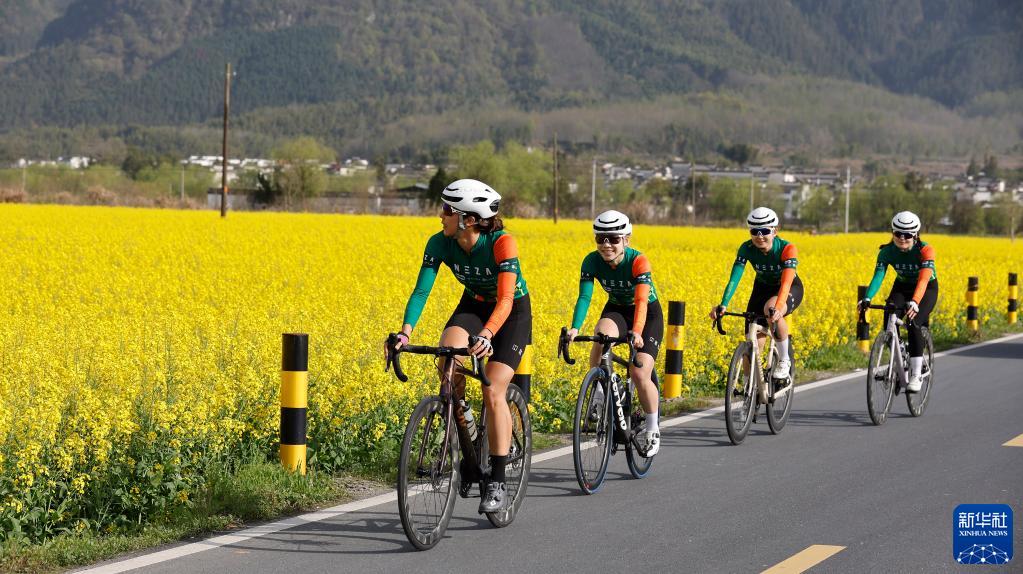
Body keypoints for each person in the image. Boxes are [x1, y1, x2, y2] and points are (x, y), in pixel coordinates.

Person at [392, 178, 531, 512]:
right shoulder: (439, 242)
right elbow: (421, 291)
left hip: (510, 312)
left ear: (468, 218)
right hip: (473, 305)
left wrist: (487, 334)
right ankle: (466, 427)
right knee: (446, 361)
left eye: (446, 209)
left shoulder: (502, 243)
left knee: (493, 389)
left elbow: (506, 299)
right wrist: (405, 333)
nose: (440, 215)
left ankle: (498, 480)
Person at [565, 210, 664, 456]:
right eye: (601, 239)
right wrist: (575, 327)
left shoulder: (638, 261)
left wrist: (637, 332)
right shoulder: (591, 261)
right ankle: (599, 390)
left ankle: (652, 428)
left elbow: (641, 301)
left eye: (614, 239)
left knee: (639, 373)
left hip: (647, 315)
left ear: (626, 240)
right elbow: (585, 297)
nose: (606, 244)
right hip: (617, 309)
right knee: (600, 335)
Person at [709, 207, 802, 382]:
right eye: (754, 232)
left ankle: (784, 360)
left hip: (788, 288)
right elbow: (734, 279)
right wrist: (723, 304)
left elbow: (786, 283)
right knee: (753, 346)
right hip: (761, 288)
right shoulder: (746, 248)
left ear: (775, 231)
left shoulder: (787, 248)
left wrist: (778, 308)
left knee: (771, 309)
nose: (760, 236)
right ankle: (749, 388)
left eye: (765, 231)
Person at [857, 211, 938, 392]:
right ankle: (899, 353)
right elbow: (879, 275)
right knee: (888, 320)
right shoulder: (887, 252)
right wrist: (867, 298)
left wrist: (915, 301)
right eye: (898, 233)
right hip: (902, 286)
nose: (902, 238)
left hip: (926, 289)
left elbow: (924, 279)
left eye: (907, 235)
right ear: (892, 233)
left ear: (915, 235)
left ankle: (916, 374)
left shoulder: (925, 250)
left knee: (914, 323)